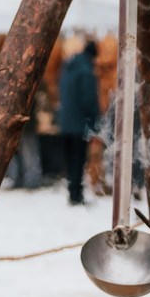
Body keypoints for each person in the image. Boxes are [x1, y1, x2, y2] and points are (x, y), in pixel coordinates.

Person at [55, 38, 100, 206]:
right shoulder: (86, 71)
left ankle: (72, 192)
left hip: (65, 122)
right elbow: (89, 100)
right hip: (80, 124)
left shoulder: (67, 68)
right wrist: (95, 122)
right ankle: (76, 194)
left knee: (70, 160)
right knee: (79, 161)